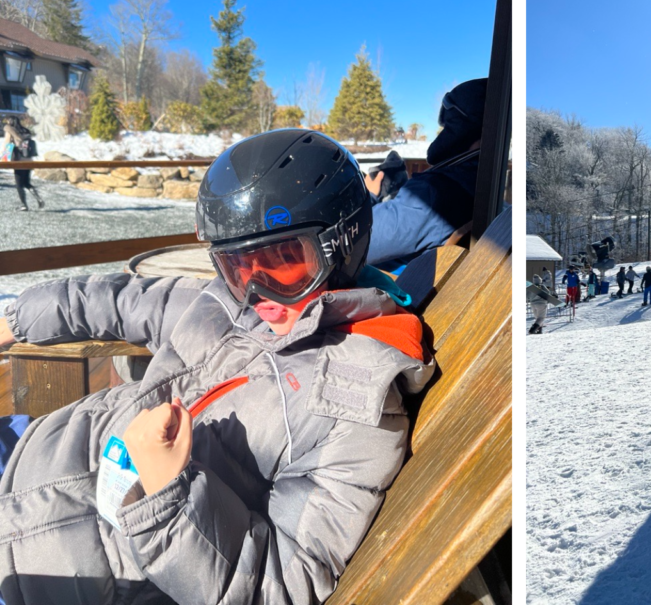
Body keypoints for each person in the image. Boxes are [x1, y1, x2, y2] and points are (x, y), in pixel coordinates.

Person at [0, 129, 435, 603]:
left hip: (53, 572)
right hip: (31, 447)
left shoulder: (354, 405)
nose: (258, 295)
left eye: (284, 261)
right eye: (237, 267)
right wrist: (16, 318)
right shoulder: (224, 304)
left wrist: (166, 496)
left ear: (341, 245)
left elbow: (283, 584)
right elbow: (120, 299)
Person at [365, 78, 488, 271]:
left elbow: (353, 243)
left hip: (391, 290)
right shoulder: (484, 190)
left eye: (449, 127)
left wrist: (370, 197)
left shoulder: (430, 196)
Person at [2, 117, 43, 211]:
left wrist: (4, 159)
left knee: (19, 184)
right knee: (26, 182)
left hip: (19, 161)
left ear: (11, 122)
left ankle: (24, 205)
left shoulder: (10, 130)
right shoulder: (26, 131)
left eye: (8, 121)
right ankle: (37, 196)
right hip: (29, 161)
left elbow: (7, 144)